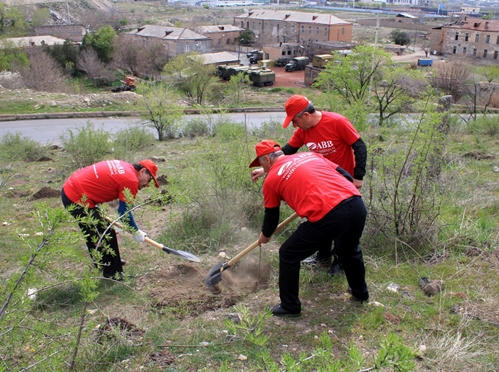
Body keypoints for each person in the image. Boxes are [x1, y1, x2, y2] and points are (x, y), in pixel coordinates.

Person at [250, 140, 369, 317]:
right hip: (356, 204)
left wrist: (265, 236)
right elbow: (344, 174)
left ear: (266, 159)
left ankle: (289, 307)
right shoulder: (310, 155)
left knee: (288, 253)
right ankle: (360, 294)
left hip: (330, 215)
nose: (262, 167)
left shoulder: (271, 180)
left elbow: (272, 216)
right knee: (350, 249)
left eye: (260, 163)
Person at [251, 95, 367, 276]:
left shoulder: (337, 121)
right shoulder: (303, 131)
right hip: (317, 182)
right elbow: (286, 152)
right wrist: (265, 170)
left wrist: (358, 176)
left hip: (340, 180)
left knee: (338, 224)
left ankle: (340, 261)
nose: (294, 126)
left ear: (305, 115)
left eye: (294, 121)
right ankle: (323, 256)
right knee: (318, 218)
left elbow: (359, 146)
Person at [61, 159, 160, 280]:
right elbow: (124, 212)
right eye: (149, 180)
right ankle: (113, 273)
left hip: (74, 189)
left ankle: (104, 263)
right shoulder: (131, 180)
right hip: (75, 197)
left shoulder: (125, 167)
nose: (147, 184)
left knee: (94, 231)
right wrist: (135, 231)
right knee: (106, 233)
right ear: (143, 171)